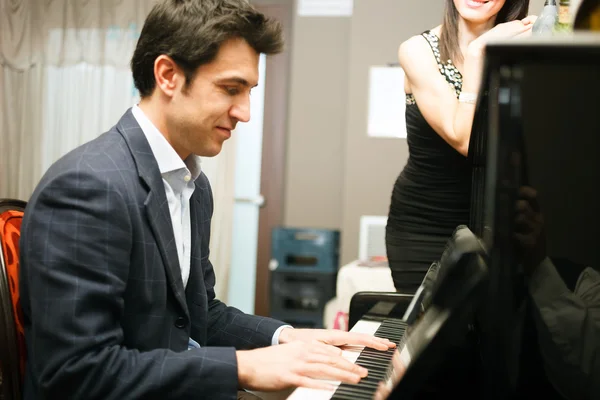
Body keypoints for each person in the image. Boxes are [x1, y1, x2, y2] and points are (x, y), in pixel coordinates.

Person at [18, 1, 395, 399]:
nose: (245, 113)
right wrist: (242, 368)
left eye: (249, 92)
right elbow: (76, 373)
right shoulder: (87, 187)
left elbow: (200, 315)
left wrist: (287, 337)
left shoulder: (194, 186)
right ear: (167, 75)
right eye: (230, 89)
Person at [385, 0, 535, 292]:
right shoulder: (418, 50)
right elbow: (464, 139)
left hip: (501, 225)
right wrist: (479, 52)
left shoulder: (527, 44)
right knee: (431, 332)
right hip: (424, 225)